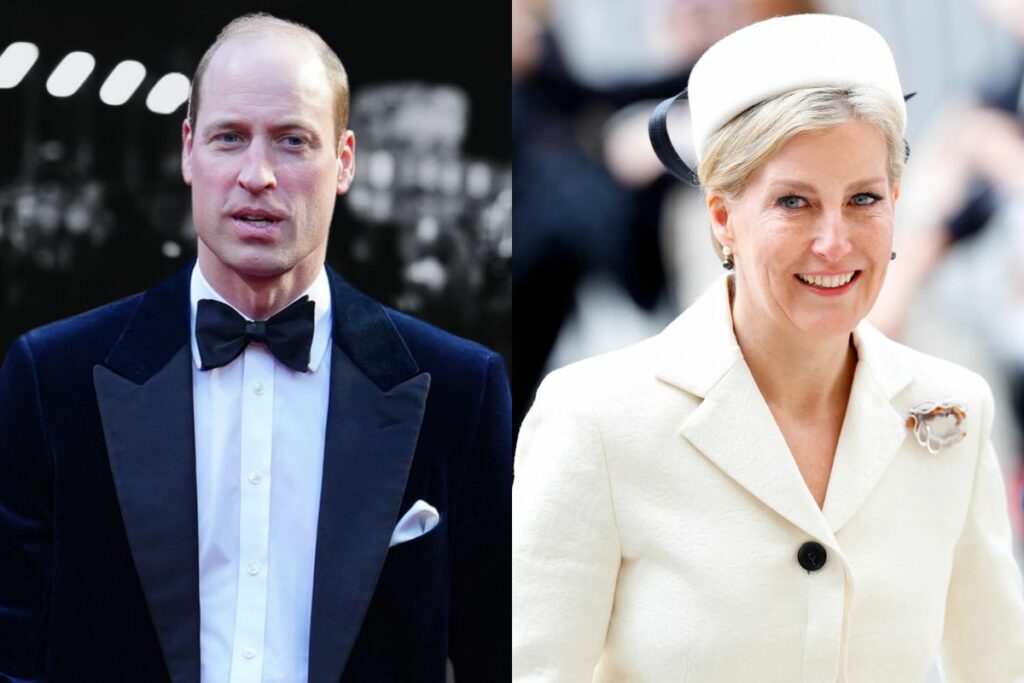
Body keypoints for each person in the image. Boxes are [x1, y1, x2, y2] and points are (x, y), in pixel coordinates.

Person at [512, 13, 1024, 682]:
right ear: (722, 217)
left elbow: (998, 666)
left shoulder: (953, 411)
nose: (835, 241)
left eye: (864, 198)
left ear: (897, 200)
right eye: (794, 202)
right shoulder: (596, 419)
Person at [0, 13, 510, 683]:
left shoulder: (459, 387)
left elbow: (494, 649)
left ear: (344, 161)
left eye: (293, 141)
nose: (257, 173)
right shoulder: (52, 376)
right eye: (229, 138)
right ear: (189, 152)